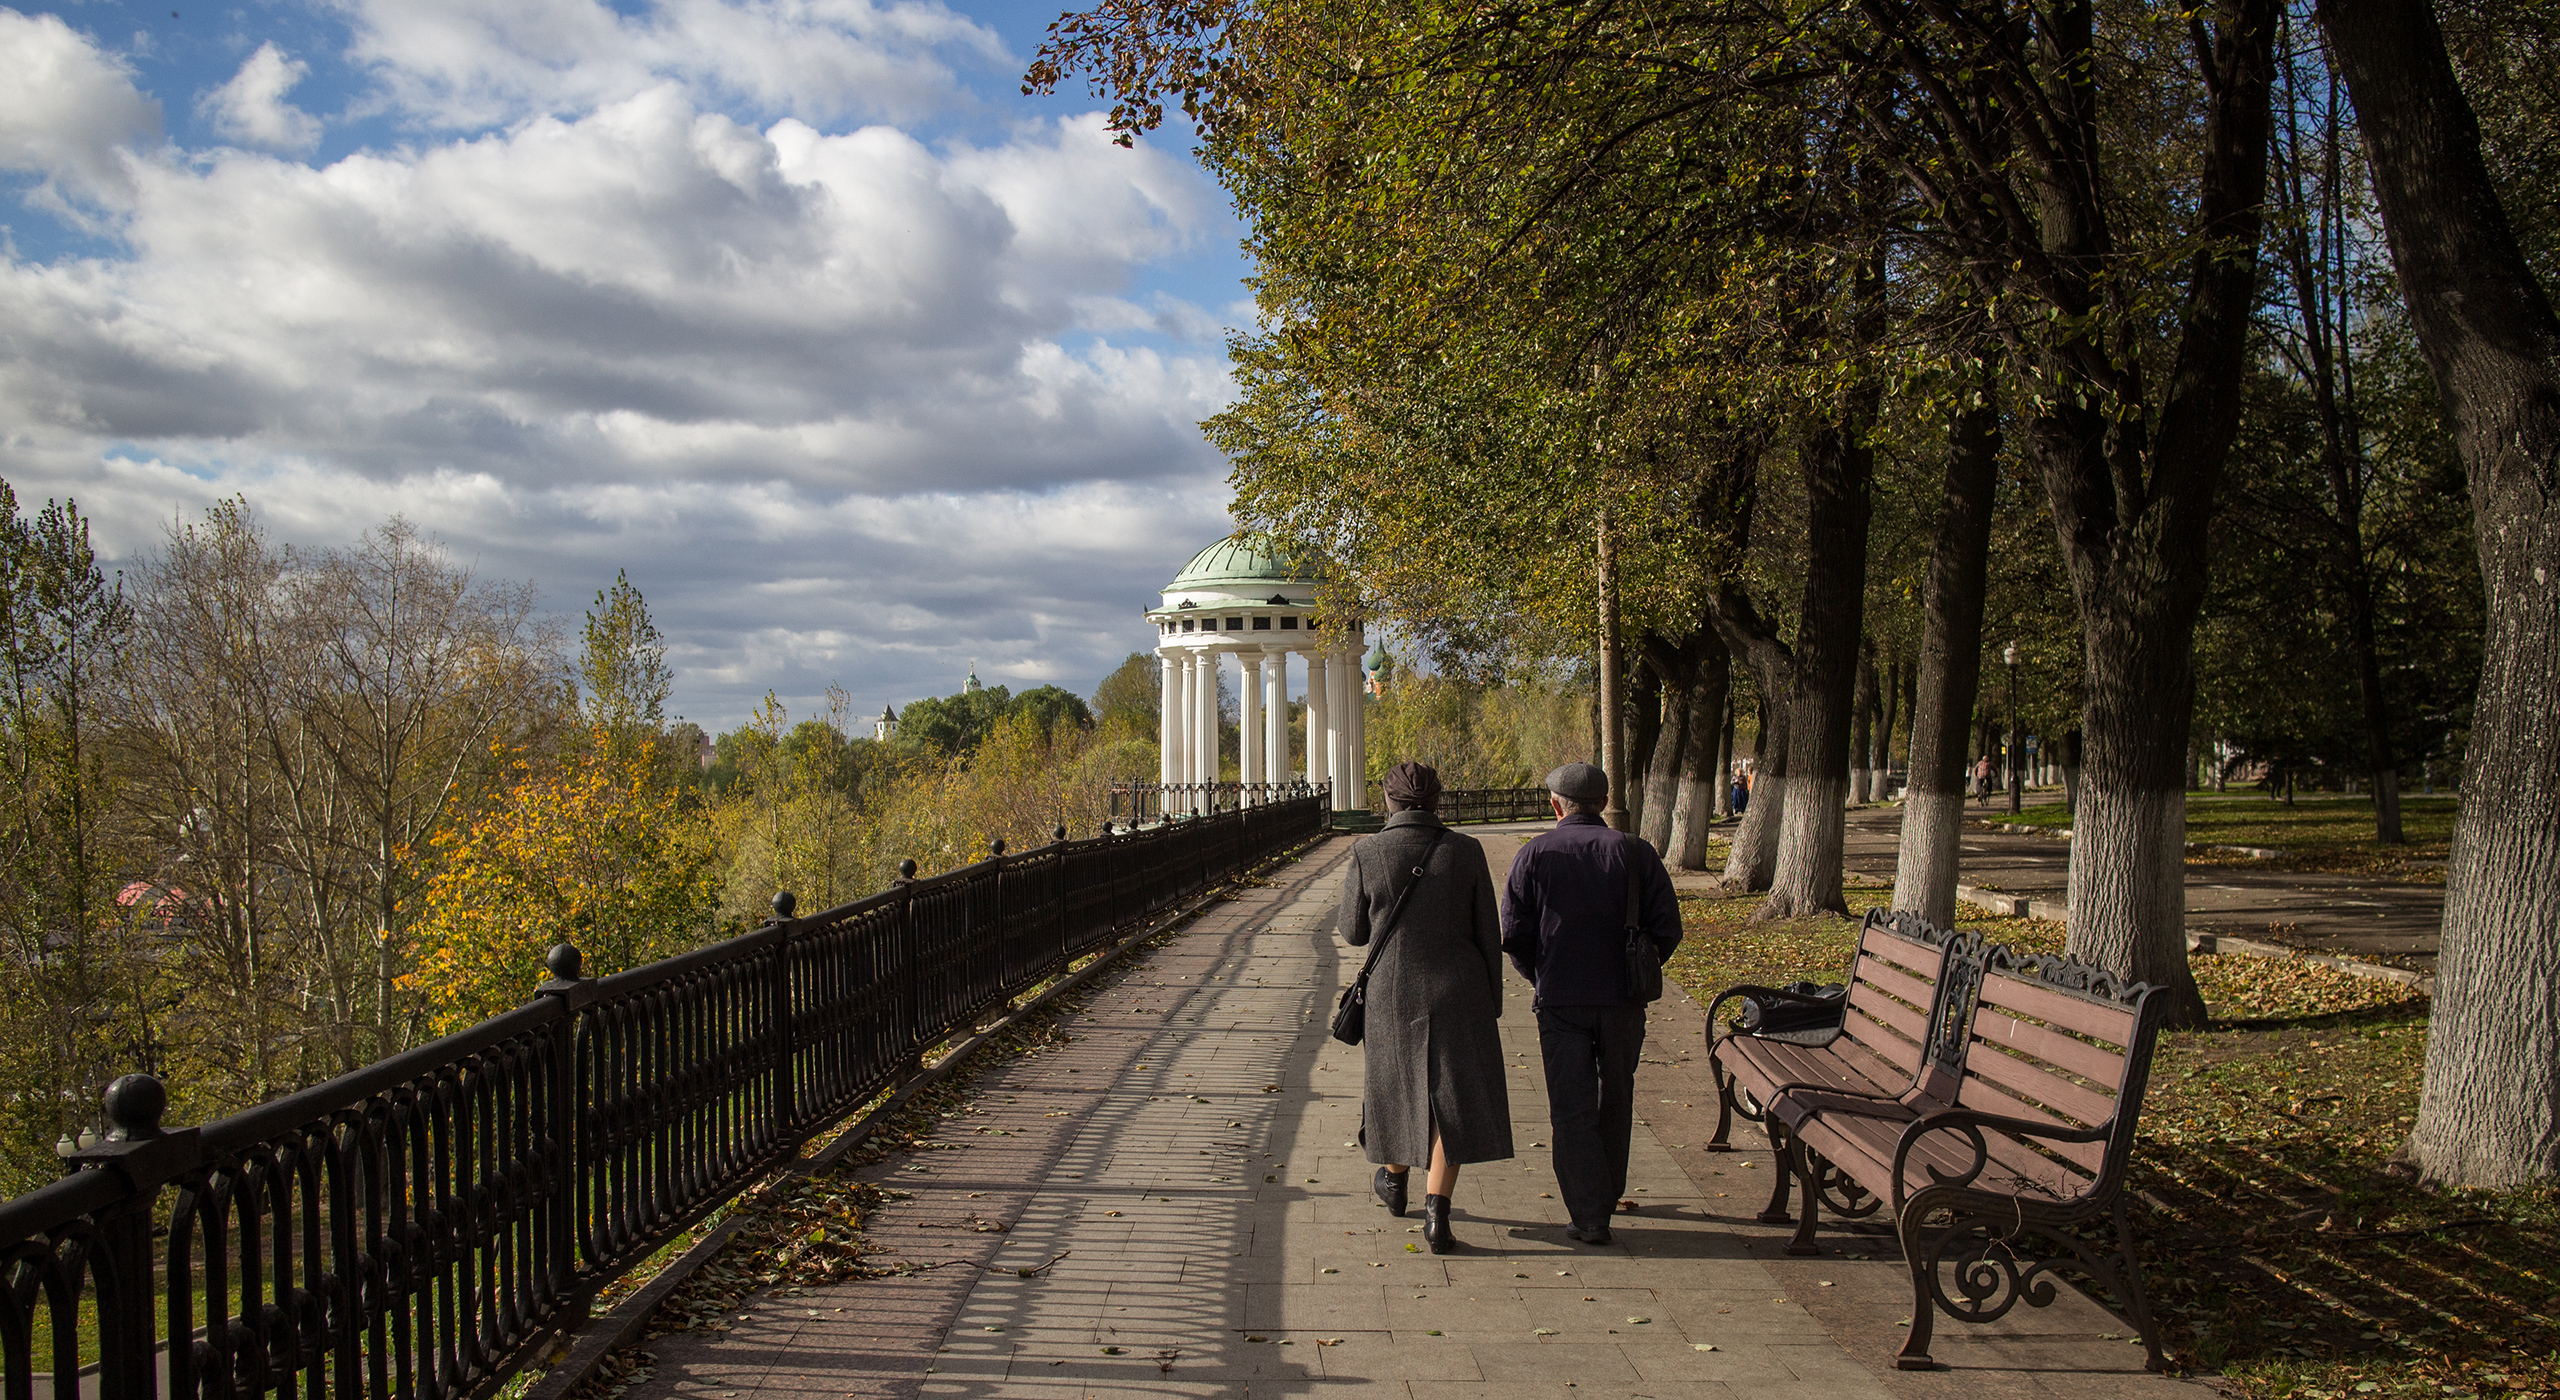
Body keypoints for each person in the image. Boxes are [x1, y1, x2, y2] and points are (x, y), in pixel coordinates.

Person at [1499, 762, 1681, 1245]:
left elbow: (1513, 933)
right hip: (1623, 1000)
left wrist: (1540, 974)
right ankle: (1606, 1192)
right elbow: (1668, 927)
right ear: (1603, 804)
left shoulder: (1534, 854)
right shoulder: (1636, 853)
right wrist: (1641, 963)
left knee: (1570, 1105)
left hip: (1560, 999)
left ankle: (1588, 1212)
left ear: (1555, 804)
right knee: (1616, 1096)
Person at [1338, 760, 1512, 1253]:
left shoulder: (1367, 851)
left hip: (1392, 995)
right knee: (1449, 1103)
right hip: (1461, 992)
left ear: (1388, 802)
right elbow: (1487, 933)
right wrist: (1492, 1003)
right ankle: (1437, 1216)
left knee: (1395, 1089)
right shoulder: (1467, 850)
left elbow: (1352, 932)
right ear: (1438, 801)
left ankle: (1395, 1184)